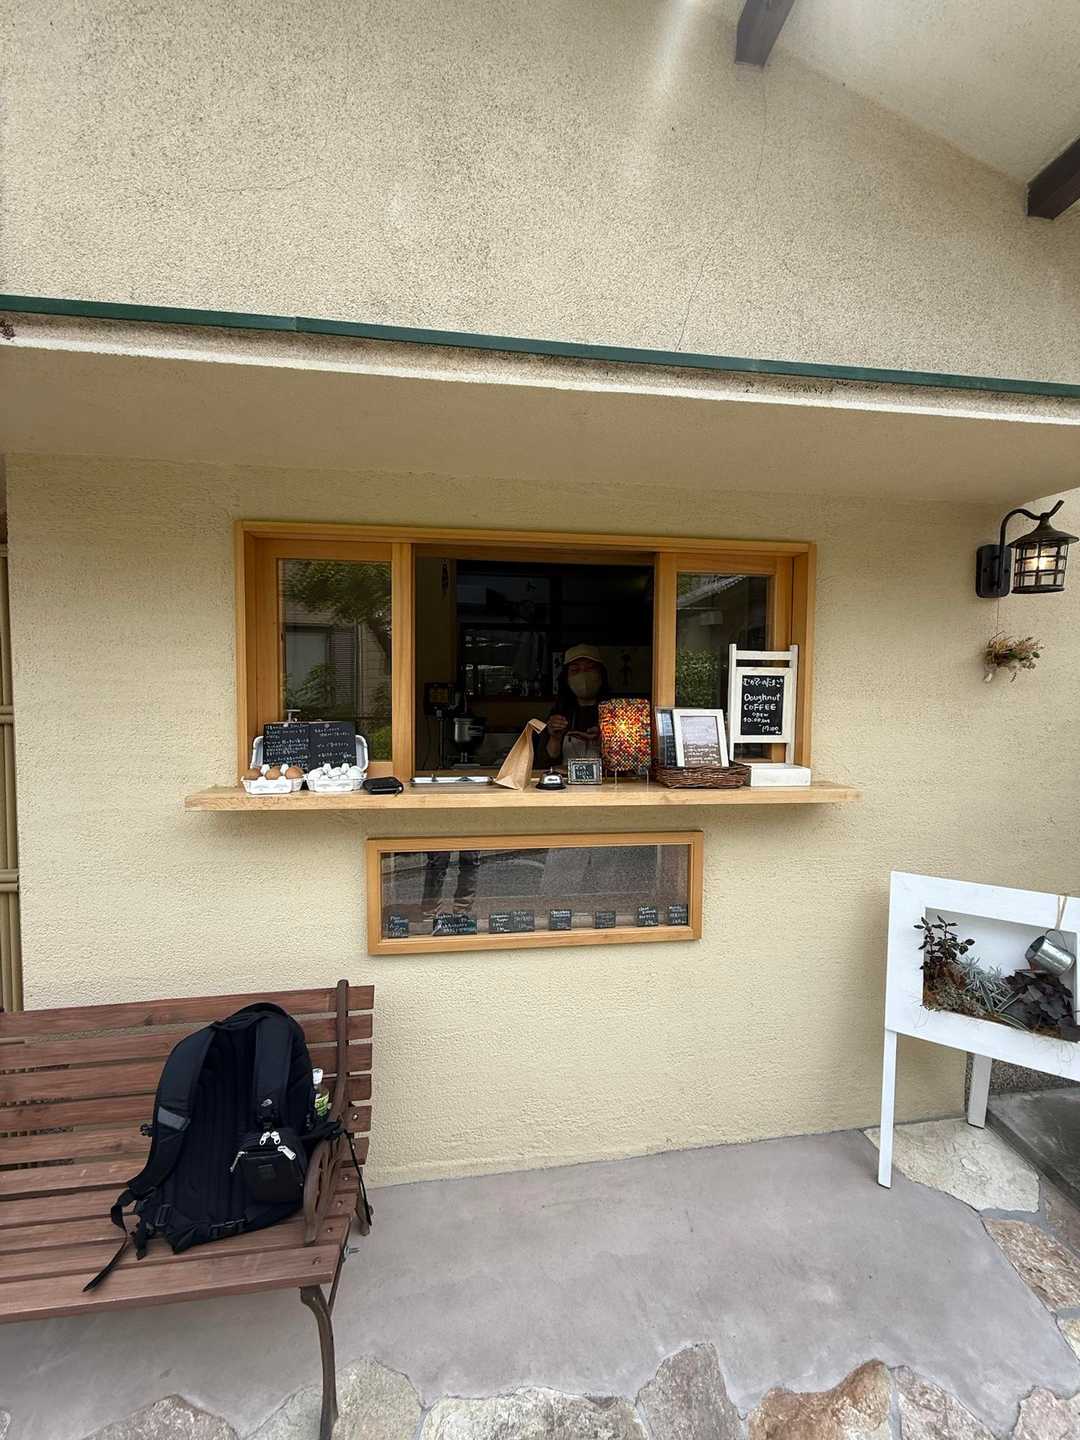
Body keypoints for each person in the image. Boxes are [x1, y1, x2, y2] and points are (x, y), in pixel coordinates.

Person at [537, 644, 610, 767]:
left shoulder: (616, 712)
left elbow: (628, 763)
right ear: (566, 678)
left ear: (601, 674)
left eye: (590, 668)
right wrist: (555, 738)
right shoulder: (559, 713)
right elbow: (544, 765)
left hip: (605, 779)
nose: (583, 675)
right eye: (575, 670)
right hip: (567, 779)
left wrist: (607, 742)